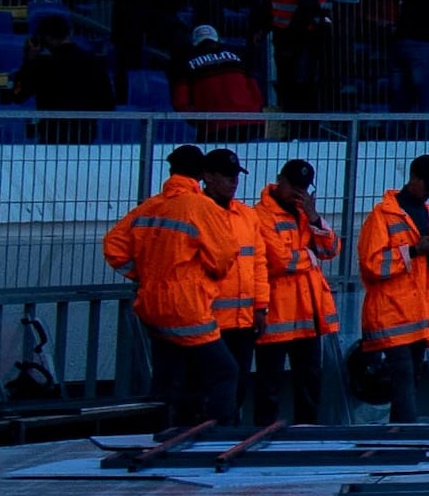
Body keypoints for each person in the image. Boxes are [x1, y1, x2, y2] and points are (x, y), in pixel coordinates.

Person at [103, 145, 251, 432]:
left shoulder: (151, 206)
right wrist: (205, 276)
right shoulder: (201, 207)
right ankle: (220, 434)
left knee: (168, 375)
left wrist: (144, 275)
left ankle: (159, 432)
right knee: (226, 371)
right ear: (200, 174)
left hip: (151, 304)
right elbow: (222, 257)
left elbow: (114, 247)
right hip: (186, 306)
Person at [357, 155, 429, 423]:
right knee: (403, 378)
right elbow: (371, 264)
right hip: (392, 314)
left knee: (410, 378)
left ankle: (402, 435)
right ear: (414, 180)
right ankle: (406, 438)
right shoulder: (382, 216)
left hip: (419, 316)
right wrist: (413, 251)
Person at [249, 158, 340, 428]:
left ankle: (307, 431)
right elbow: (279, 261)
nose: (297, 193)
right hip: (275, 314)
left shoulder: (304, 215)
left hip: (307, 314)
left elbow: (331, 250)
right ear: (280, 180)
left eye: (302, 188)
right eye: (293, 186)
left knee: (310, 379)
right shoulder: (260, 215)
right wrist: (310, 256)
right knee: (269, 382)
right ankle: (262, 432)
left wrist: (314, 218)